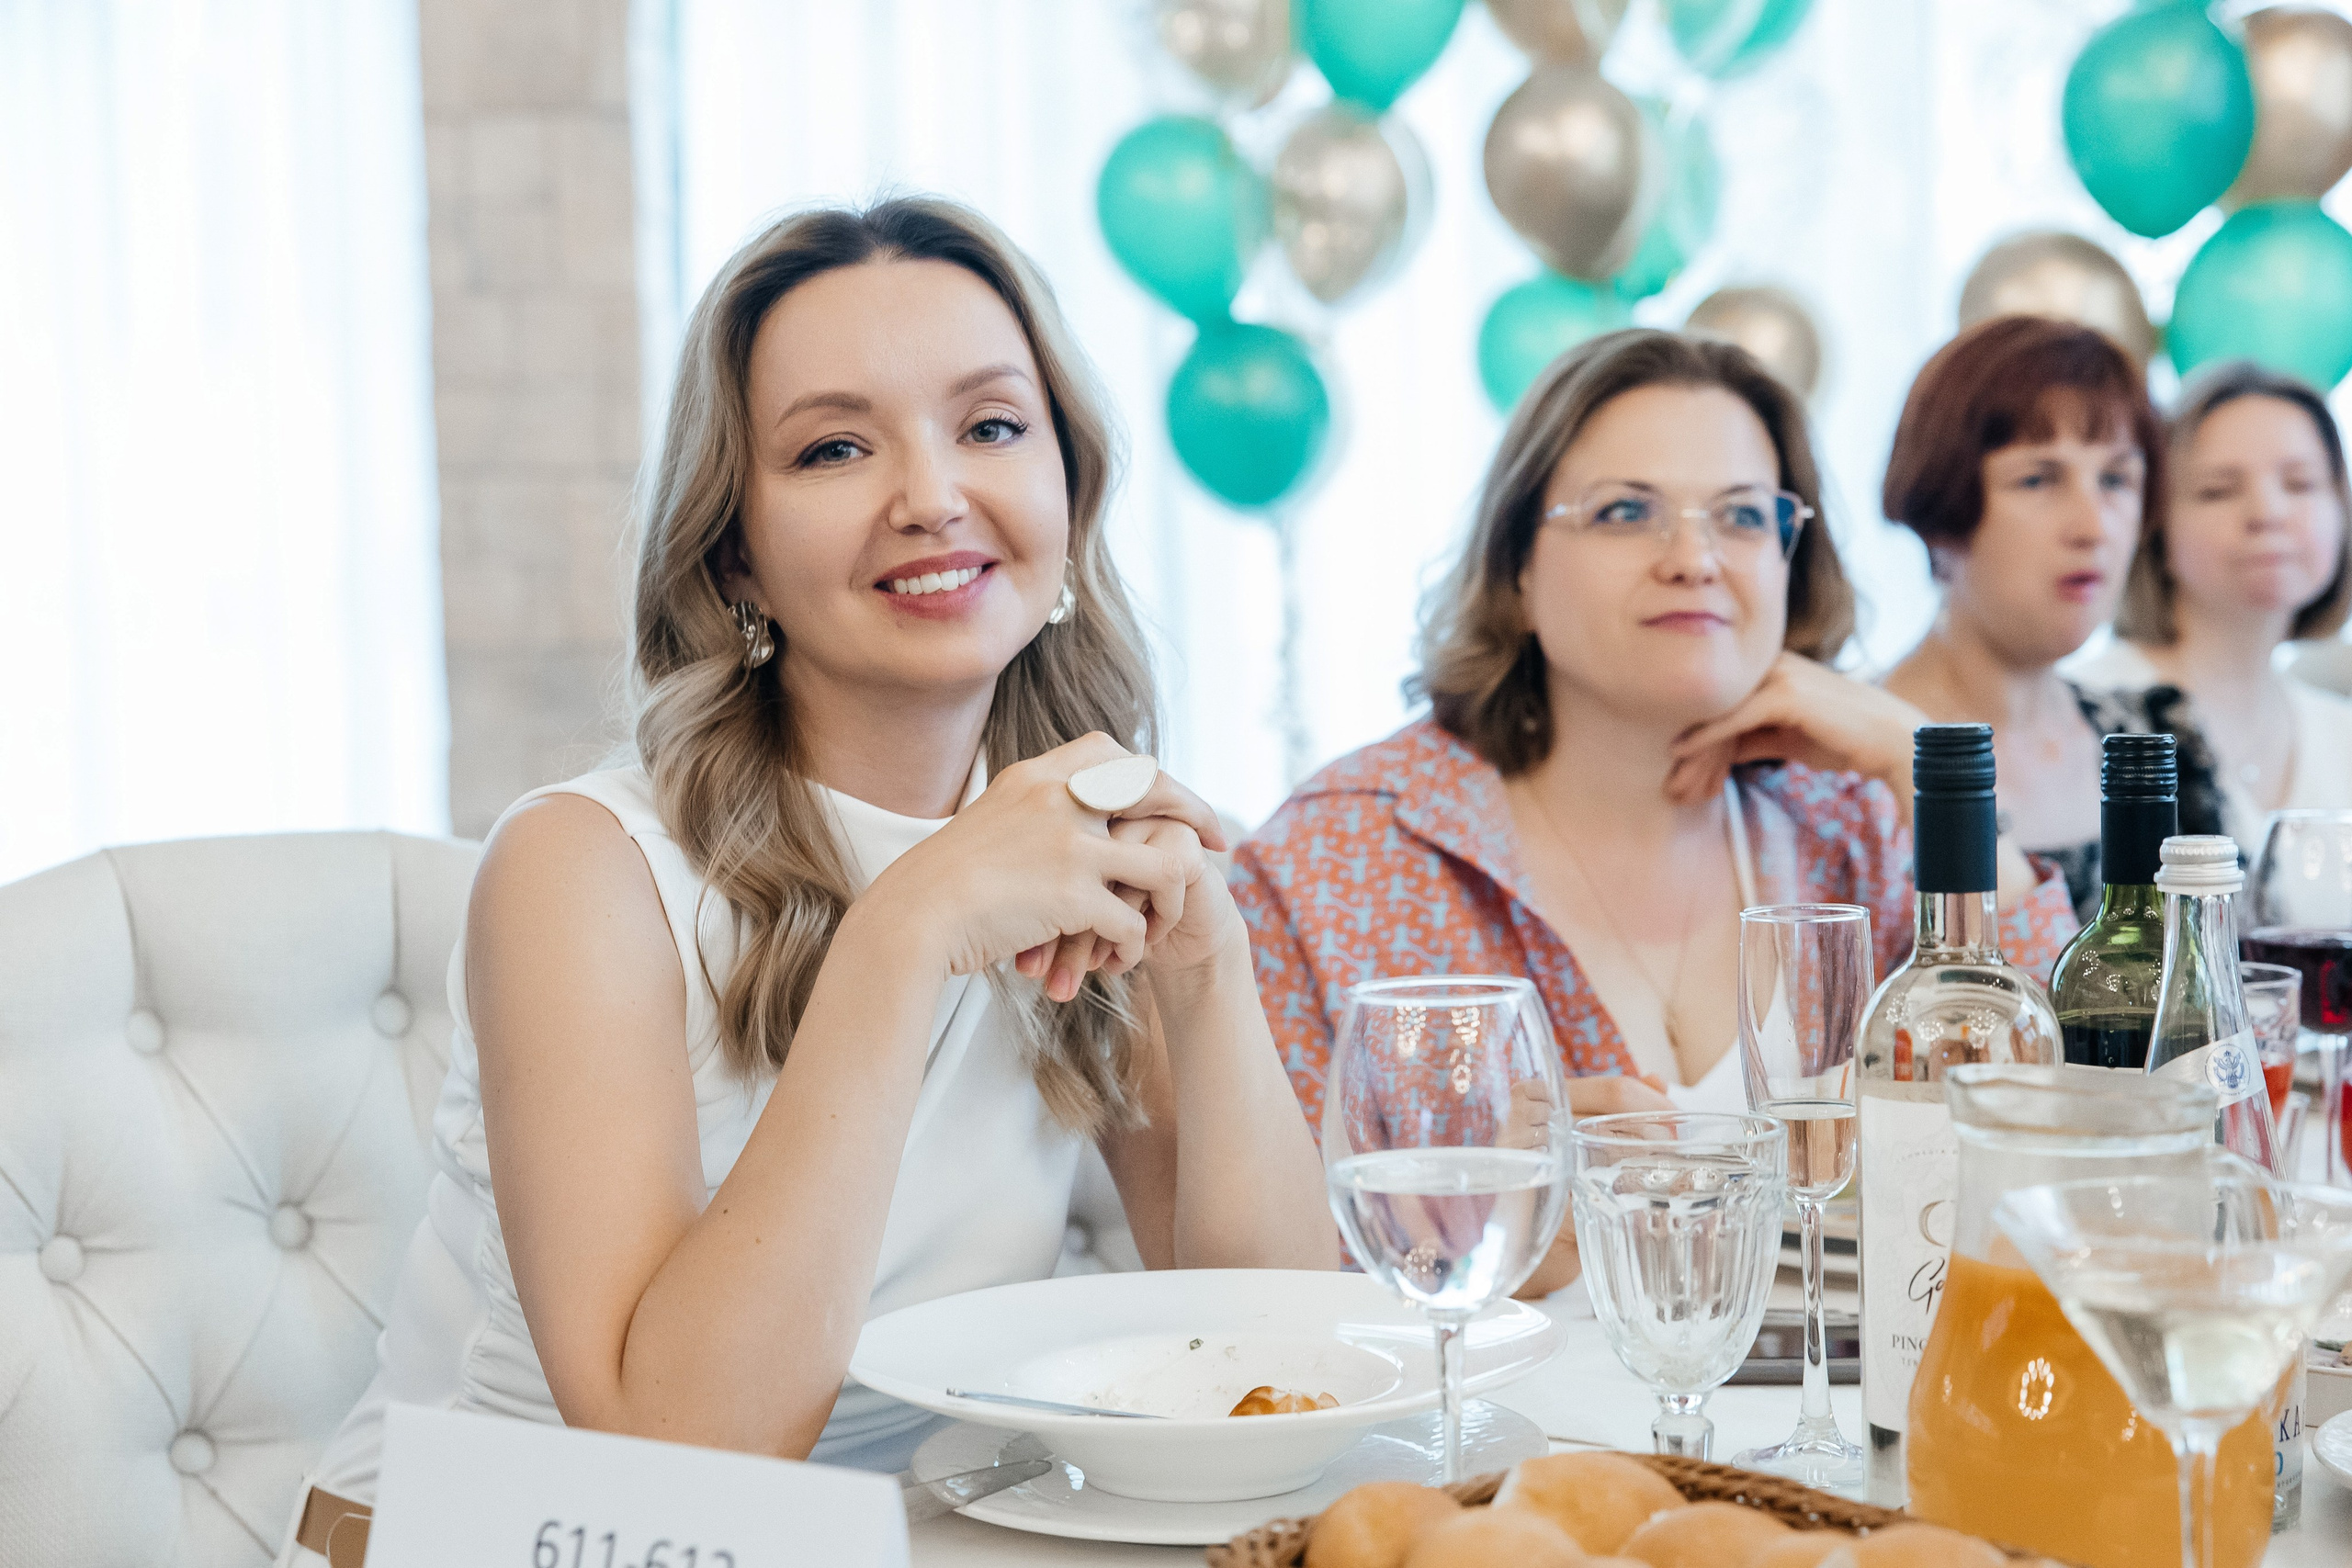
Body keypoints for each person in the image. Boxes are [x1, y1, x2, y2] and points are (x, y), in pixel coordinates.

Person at [283, 199, 1333, 1566]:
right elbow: (670, 1453)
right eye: (835, 445)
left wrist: (1209, 975)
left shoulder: (1075, 834)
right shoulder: (582, 867)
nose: (932, 494)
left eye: (993, 426)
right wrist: (903, 932)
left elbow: (1278, 1364)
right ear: (734, 553)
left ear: (1069, 500)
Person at [1228, 329, 2075, 1295]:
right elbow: (1275, 1300)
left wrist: (1913, 759)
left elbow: (2071, 1139)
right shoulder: (1329, 861)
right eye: (1627, 512)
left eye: (1743, 517)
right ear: (1516, 569)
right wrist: (1476, 1243)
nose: (1693, 558)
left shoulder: (1851, 820)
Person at [1879, 315, 2224, 919]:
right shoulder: (1847, 760)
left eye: (2117, 478)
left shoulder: (2152, 741)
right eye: (2038, 478)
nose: (2093, 526)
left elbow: (2224, 994)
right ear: (1940, 507)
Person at [2069, 361, 2352, 853]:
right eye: (2217, 490)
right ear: (2156, 524)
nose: (2268, 513)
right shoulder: (2085, 716)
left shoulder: (2341, 733)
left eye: (2301, 483)